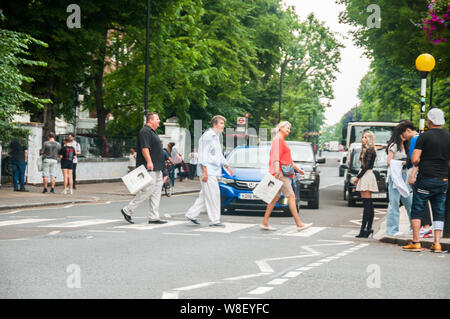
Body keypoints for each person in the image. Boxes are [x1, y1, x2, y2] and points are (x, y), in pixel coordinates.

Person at [403, 108, 450, 253]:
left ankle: (416, 242)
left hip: (425, 178)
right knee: (439, 211)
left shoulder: (424, 137)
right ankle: (437, 243)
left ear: (429, 121)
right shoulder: (449, 136)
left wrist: (421, 162)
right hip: (443, 179)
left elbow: (415, 159)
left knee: (417, 209)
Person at [260, 121, 312, 232]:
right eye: (287, 128)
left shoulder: (280, 140)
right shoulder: (277, 140)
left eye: (289, 128)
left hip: (279, 171)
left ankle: (265, 222)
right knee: (291, 196)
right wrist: (278, 169)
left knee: (275, 198)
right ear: (280, 128)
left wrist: (298, 169)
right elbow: (276, 156)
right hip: (281, 173)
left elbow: (287, 159)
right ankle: (299, 224)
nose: (289, 130)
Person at [185, 115, 234, 227]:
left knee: (205, 196)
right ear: (214, 124)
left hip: (213, 170)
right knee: (213, 196)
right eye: (221, 123)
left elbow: (218, 154)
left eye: (223, 124)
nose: (223, 126)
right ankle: (214, 220)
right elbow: (202, 155)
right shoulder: (207, 136)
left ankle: (191, 214)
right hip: (208, 171)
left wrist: (226, 165)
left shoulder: (216, 137)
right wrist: (205, 172)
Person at [120, 112, 167, 225]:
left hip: (157, 168)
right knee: (148, 190)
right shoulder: (145, 131)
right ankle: (128, 210)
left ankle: (154, 217)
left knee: (156, 192)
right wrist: (149, 161)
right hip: (149, 167)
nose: (159, 121)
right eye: (157, 119)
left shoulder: (152, 132)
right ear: (150, 120)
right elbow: (144, 148)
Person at [398, 121, 433, 238]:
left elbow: (414, 159)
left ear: (408, 130)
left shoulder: (414, 140)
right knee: (423, 200)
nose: (404, 137)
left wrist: (412, 174)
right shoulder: (422, 138)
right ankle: (426, 227)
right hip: (426, 172)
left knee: (420, 200)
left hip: (416, 172)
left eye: (403, 134)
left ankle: (426, 227)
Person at [385, 126, 412, 236]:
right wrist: (403, 162)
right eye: (403, 133)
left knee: (410, 202)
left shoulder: (406, 146)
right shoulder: (394, 145)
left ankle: (413, 228)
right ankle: (392, 229)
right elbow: (389, 161)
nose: (405, 136)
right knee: (394, 203)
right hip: (395, 175)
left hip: (405, 175)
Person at [353, 131, 378, 238]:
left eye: (365, 137)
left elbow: (366, 166)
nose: (363, 139)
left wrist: (357, 178)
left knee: (367, 204)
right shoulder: (368, 150)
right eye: (362, 137)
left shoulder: (370, 150)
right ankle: (367, 228)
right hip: (366, 175)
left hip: (366, 176)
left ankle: (364, 229)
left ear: (369, 139)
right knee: (369, 204)